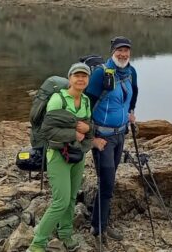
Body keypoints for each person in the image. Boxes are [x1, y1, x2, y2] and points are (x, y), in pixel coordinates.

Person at [29, 63, 95, 252]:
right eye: (77, 76)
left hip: (77, 156)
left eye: (84, 76)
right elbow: (48, 130)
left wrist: (88, 129)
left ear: (88, 80)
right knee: (61, 201)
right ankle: (37, 243)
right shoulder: (58, 99)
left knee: (72, 198)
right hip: (58, 155)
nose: (81, 79)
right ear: (70, 78)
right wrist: (74, 133)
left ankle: (65, 234)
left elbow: (89, 125)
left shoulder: (86, 101)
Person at [85, 36, 138, 242]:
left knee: (110, 179)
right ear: (112, 52)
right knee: (107, 182)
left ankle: (101, 218)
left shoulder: (131, 72)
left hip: (120, 135)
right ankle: (98, 228)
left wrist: (131, 112)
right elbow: (86, 106)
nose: (123, 54)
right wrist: (92, 139)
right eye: (119, 50)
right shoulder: (101, 74)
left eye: (126, 50)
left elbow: (133, 95)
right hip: (103, 138)